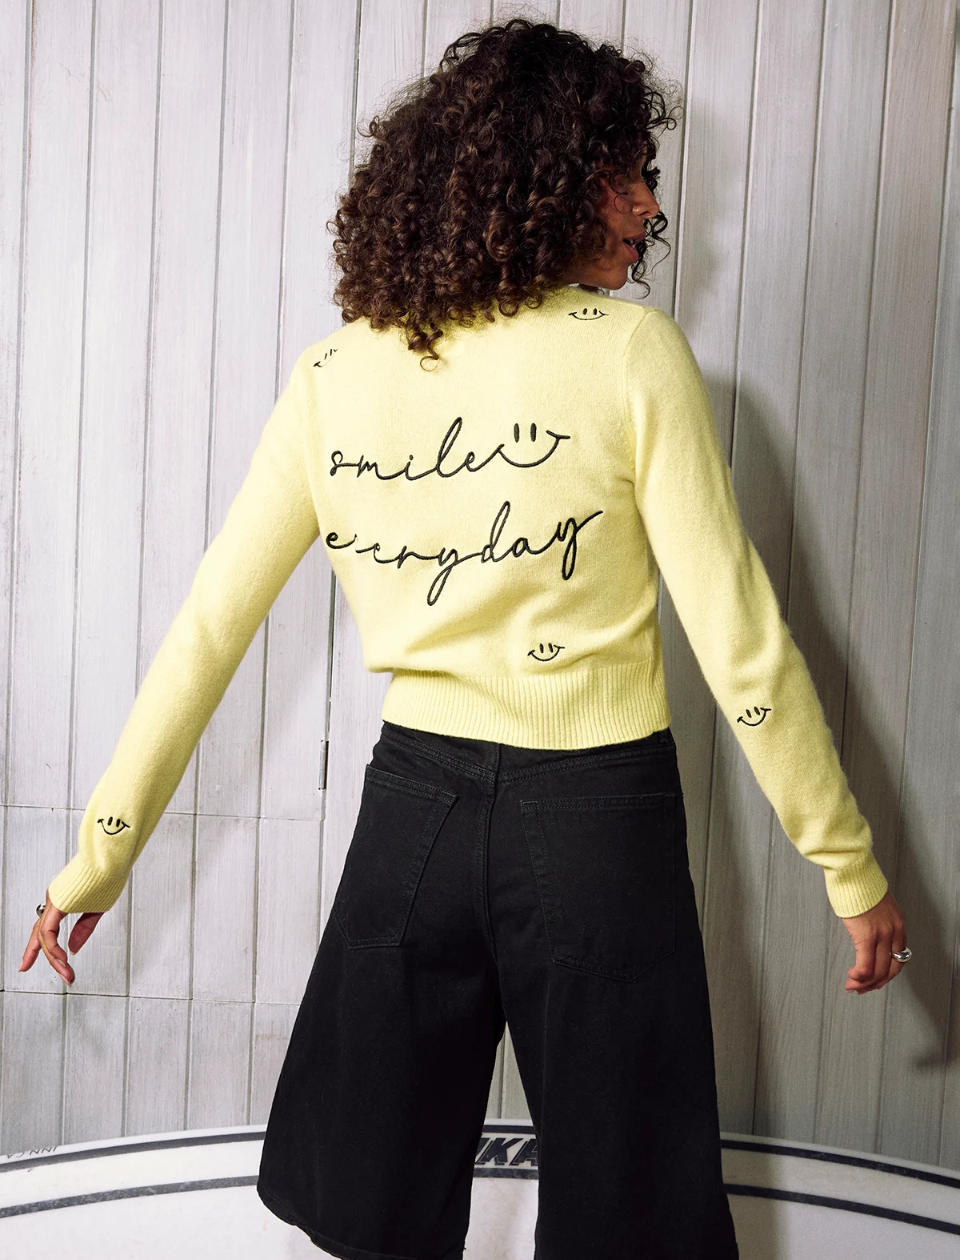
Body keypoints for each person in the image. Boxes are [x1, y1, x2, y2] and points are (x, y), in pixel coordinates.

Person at [19, 16, 908, 1260]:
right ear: (548, 179)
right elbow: (741, 643)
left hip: (413, 826)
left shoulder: (340, 371)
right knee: (630, 1216)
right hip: (597, 829)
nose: (652, 203)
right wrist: (848, 866)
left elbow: (207, 631)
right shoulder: (635, 359)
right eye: (627, 169)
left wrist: (96, 861)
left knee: (376, 1201)